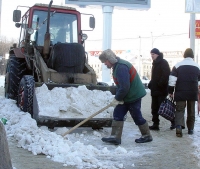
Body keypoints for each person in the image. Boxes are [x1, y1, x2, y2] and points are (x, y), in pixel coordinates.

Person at [99, 49, 153, 145]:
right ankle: (115, 137)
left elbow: (124, 87)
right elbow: (122, 86)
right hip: (127, 95)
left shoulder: (121, 67)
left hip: (133, 95)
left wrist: (117, 99)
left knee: (136, 115)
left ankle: (147, 135)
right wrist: (118, 97)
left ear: (110, 59)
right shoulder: (117, 66)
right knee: (118, 113)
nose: (105, 64)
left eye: (105, 62)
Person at [168, 48, 200, 137]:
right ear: (192, 56)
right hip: (192, 92)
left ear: (184, 55)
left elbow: (172, 80)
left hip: (180, 91)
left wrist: (170, 91)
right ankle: (190, 129)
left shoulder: (178, 66)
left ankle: (178, 126)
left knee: (179, 109)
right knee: (191, 110)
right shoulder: (197, 66)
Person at [148, 48, 173, 130]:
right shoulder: (154, 63)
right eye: (151, 54)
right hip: (154, 90)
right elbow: (155, 77)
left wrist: (160, 84)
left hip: (161, 90)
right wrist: (151, 83)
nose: (152, 56)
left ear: (157, 54)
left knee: (163, 108)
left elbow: (166, 75)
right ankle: (155, 124)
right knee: (154, 108)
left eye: (153, 54)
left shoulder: (163, 62)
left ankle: (173, 121)